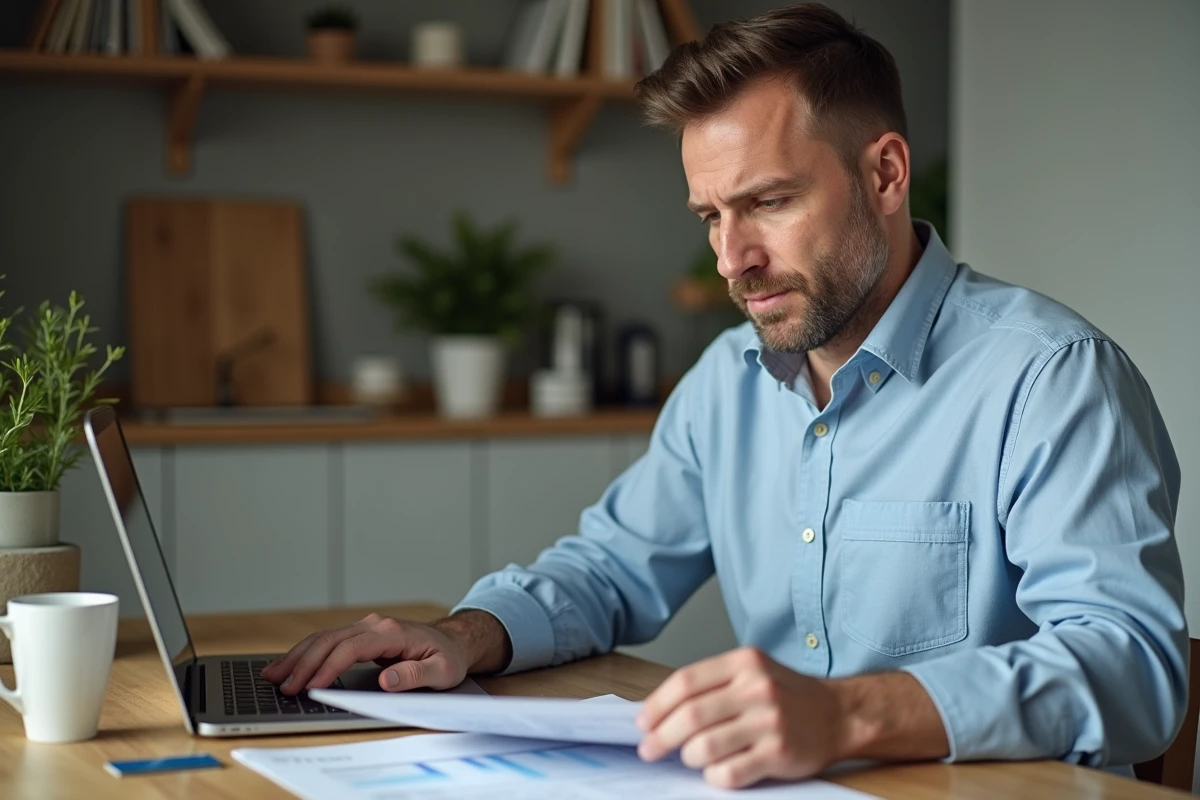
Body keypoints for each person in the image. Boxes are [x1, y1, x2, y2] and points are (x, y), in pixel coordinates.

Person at [262, 3, 1187, 790]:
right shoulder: (726, 381)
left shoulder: (1050, 377)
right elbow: (613, 569)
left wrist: (845, 716)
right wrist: (468, 636)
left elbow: (1135, 668)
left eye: (770, 202)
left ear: (886, 173)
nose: (731, 259)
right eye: (711, 215)